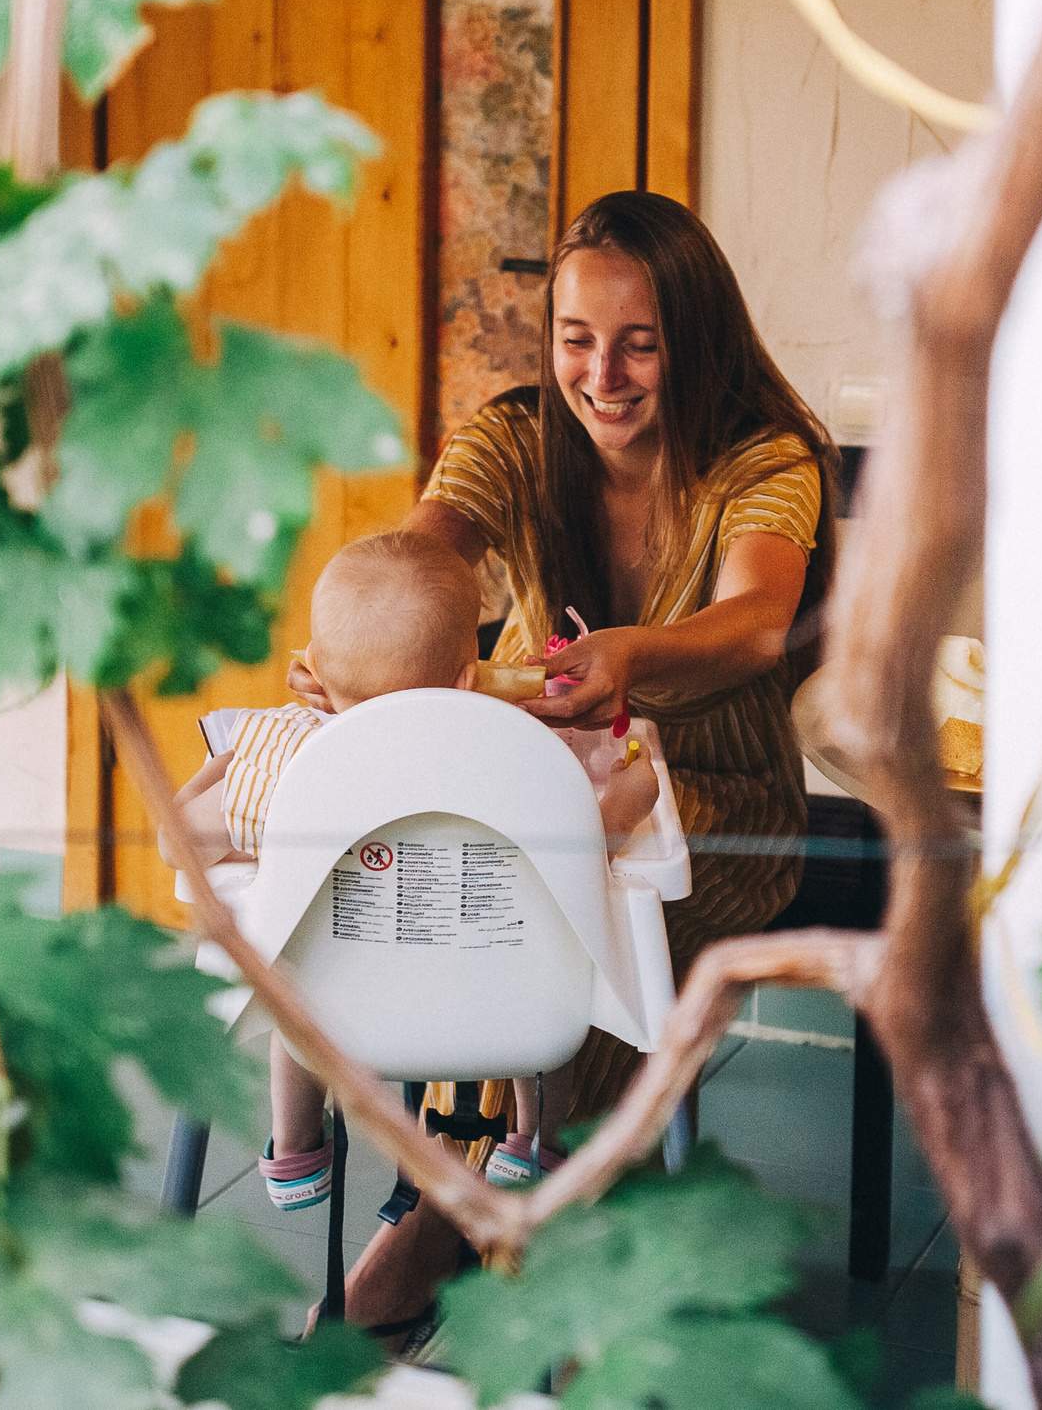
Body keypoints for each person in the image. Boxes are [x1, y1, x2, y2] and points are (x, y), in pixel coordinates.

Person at [290, 190, 837, 1347]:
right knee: (471, 887)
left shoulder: (764, 460)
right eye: (577, 340)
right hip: (545, 795)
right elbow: (422, 558)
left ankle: (461, 1214)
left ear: (697, 339)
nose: (603, 375)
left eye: (641, 344)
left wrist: (631, 655)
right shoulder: (508, 438)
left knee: (559, 925)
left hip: (721, 810)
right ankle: (491, 1189)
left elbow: (754, 625)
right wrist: (358, 650)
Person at [164, 530, 659, 1216]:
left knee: (294, 962)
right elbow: (594, 843)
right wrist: (634, 795)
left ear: (314, 675)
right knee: (551, 948)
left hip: (338, 1016)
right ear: (469, 675)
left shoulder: (283, 765)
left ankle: (298, 1148)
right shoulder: (523, 762)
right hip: (499, 1003)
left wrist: (223, 768)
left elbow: (177, 843)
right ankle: (533, 1143)